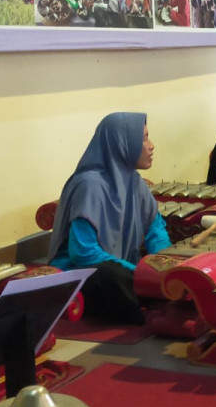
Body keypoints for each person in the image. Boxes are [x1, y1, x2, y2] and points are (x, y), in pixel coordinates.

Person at [48, 113, 170, 322]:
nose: (151, 145)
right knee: (111, 276)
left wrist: (163, 266)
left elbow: (155, 230)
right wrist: (140, 272)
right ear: (121, 143)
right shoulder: (90, 185)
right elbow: (83, 253)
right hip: (81, 275)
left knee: (177, 270)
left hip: (121, 270)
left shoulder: (135, 181)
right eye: (143, 139)